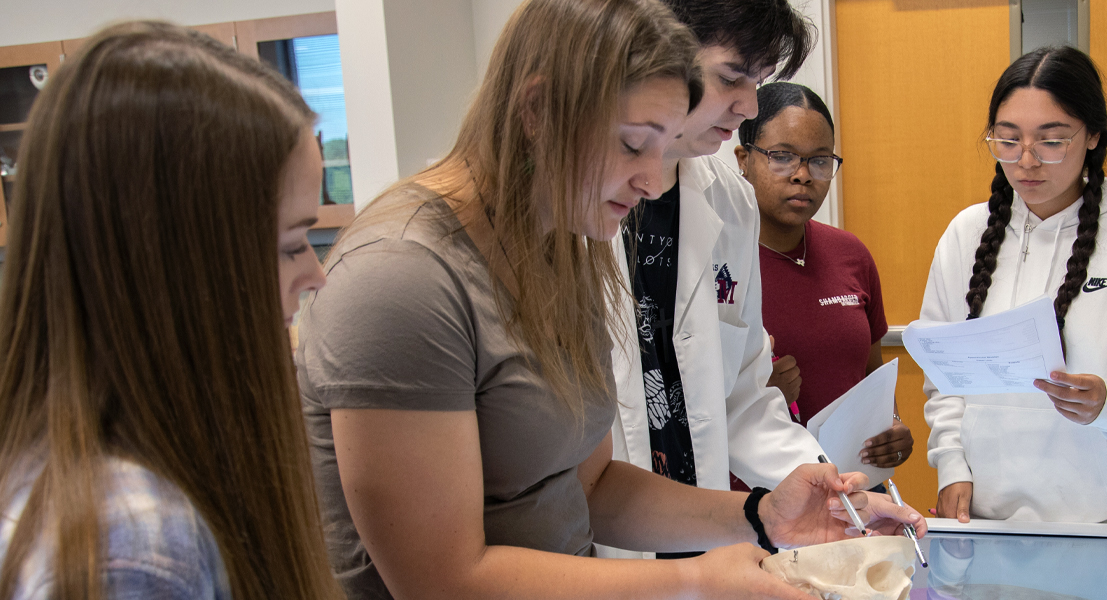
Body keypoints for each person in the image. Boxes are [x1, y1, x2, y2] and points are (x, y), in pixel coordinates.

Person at [293, 0, 926, 598]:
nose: (654, 179)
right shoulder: (404, 278)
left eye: (664, 144)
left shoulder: (566, 244)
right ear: (538, 110)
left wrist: (764, 514)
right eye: (633, 143)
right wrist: (692, 581)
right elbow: (441, 581)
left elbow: (589, 486)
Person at [0, 21, 340, 600]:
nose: (315, 274)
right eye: (290, 247)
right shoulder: (133, 549)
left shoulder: (70, 482)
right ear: (183, 270)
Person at [920, 46, 1107, 525]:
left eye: (1052, 141)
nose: (1026, 161)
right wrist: (952, 464)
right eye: (1007, 139)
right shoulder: (965, 236)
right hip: (990, 525)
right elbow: (943, 378)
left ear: (1094, 136)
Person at [606, 0, 824, 525]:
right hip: (595, 541)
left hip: (696, 530)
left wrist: (824, 483)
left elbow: (744, 396)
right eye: (732, 78)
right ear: (659, 51)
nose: (750, 108)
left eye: (760, 82)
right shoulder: (576, 201)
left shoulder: (731, 201)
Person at [733, 82, 912, 471]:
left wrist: (893, 428)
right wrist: (752, 399)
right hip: (759, 500)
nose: (803, 175)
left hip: (855, 493)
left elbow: (871, 373)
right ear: (743, 159)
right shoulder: (720, 267)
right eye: (782, 156)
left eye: (820, 160)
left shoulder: (851, 255)